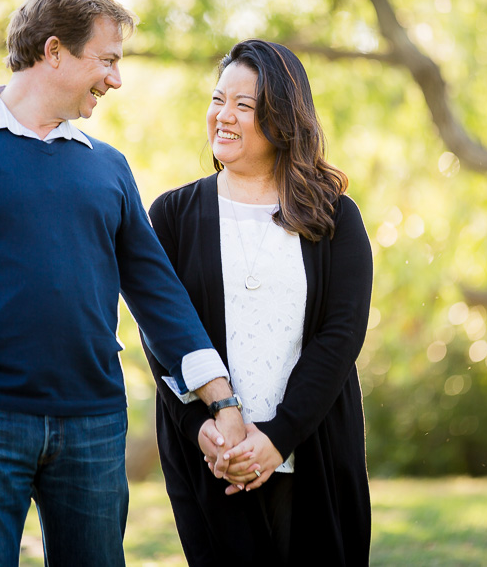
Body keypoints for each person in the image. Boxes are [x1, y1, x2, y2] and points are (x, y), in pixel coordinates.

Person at [0, 0, 245, 566]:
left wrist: (223, 401)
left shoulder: (110, 169)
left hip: (94, 427)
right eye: (108, 60)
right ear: (54, 52)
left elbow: (160, 298)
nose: (116, 79)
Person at [141, 39, 374, 565]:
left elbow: (341, 336)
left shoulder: (334, 217)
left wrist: (278, 438)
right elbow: (160, 340)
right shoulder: (172, 217)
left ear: (281, 118)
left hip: (313, 452)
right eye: (218, 99)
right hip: (213, 461)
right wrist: (203, 432)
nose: (223, 116)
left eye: (243, 106)